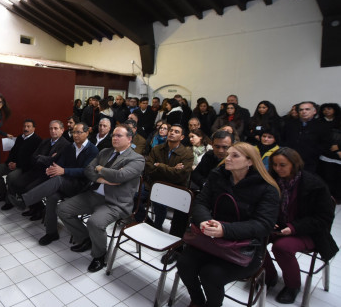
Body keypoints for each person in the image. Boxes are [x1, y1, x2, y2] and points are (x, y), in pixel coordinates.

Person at [176, 142, 280, 307]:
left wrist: (225, 230)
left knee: (211, 274)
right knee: (184, 264)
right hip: (210, 240)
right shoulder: (218, 175)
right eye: (228, 154)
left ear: (250, 162)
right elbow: (201, 203)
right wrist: (204, 220)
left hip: (244, 248)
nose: (227, 158)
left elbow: (263, 225)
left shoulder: (267, 188)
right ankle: (197, 301)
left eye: (234, 156)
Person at [58, 124, 145, 272]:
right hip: (95, 194)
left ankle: (99, 256)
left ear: (129, 139)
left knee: (95, 222)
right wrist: (102, 179)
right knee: (62, 209)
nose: (114, 138)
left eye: (119, 136)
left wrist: (100, 169)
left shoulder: (137, 159)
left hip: (116, 203)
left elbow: (120, 176)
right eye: (113, 135)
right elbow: (88, 170)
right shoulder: (105, 152)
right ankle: (86, 238)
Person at [263, 148, 338, 304]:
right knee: (254, 236)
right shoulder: (272, 180)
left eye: (282, 165)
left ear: (294, 164)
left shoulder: (313, 184)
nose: (278, 169)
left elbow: (323, 218)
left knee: (281, 247)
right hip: (281, 225)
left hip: (309, 231)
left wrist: (293, 227)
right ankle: (268, 276)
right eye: (275, 165)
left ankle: (292, 286)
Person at [10, 122, 98, 245]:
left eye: (79, 132)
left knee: (57, 180)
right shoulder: (70, 147)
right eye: (73, 132)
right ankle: (51, 233)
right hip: (65, 183)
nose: (75, 135)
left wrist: (63, 171)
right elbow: (59, 163)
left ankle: (24, 201)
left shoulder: (93, 150)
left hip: (80, 186)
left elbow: (86, 171)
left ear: (87, 132)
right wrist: (52, 169)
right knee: (51, 197)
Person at [143, 124, 194, 263]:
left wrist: (160, 166)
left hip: (176, 189)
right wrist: (170, 169)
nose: (172, 133)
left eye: (176, 132)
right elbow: (148, 169)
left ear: (182, 137)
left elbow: (180, 176)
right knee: (135, 198)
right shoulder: (157, 149)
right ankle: (152, 226)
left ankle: (175, 248)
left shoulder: (187, 154)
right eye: (171, 130)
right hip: (157, 186)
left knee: (181, 215)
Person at [8, 120, 70, 219]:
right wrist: (47, 158)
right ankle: (33, 208)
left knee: (29, 188)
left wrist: (41, 157)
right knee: (17, 183)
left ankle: (39, 211)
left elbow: (54, 162)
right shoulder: (45, 141)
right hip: (36, 170)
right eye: (51, 128)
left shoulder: (66, 145)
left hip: (48, 174)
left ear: (62, 130)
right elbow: (33, 157)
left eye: (56, 128)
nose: (53, 131)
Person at [0, 119, 42, 207]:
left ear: (34, 129)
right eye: (24, 126)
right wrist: (9, 162)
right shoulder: (19, 137)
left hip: (24, 168)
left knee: (11, 177)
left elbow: (31, 160)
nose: (25, 128)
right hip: (13, 164)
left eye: (28, 126)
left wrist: (17, 165)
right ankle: (2, 194)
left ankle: (9, 201)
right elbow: (13, 152)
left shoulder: (37, 140)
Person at [282, 101, 332, 173]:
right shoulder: (290, 124)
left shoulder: (322, 126)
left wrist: (314, 153)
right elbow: (283, 138)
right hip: (289, 158)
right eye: (301, 110)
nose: (304, 112)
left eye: (307, 109)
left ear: (314, 111)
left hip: (310, 161)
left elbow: (326, 144)